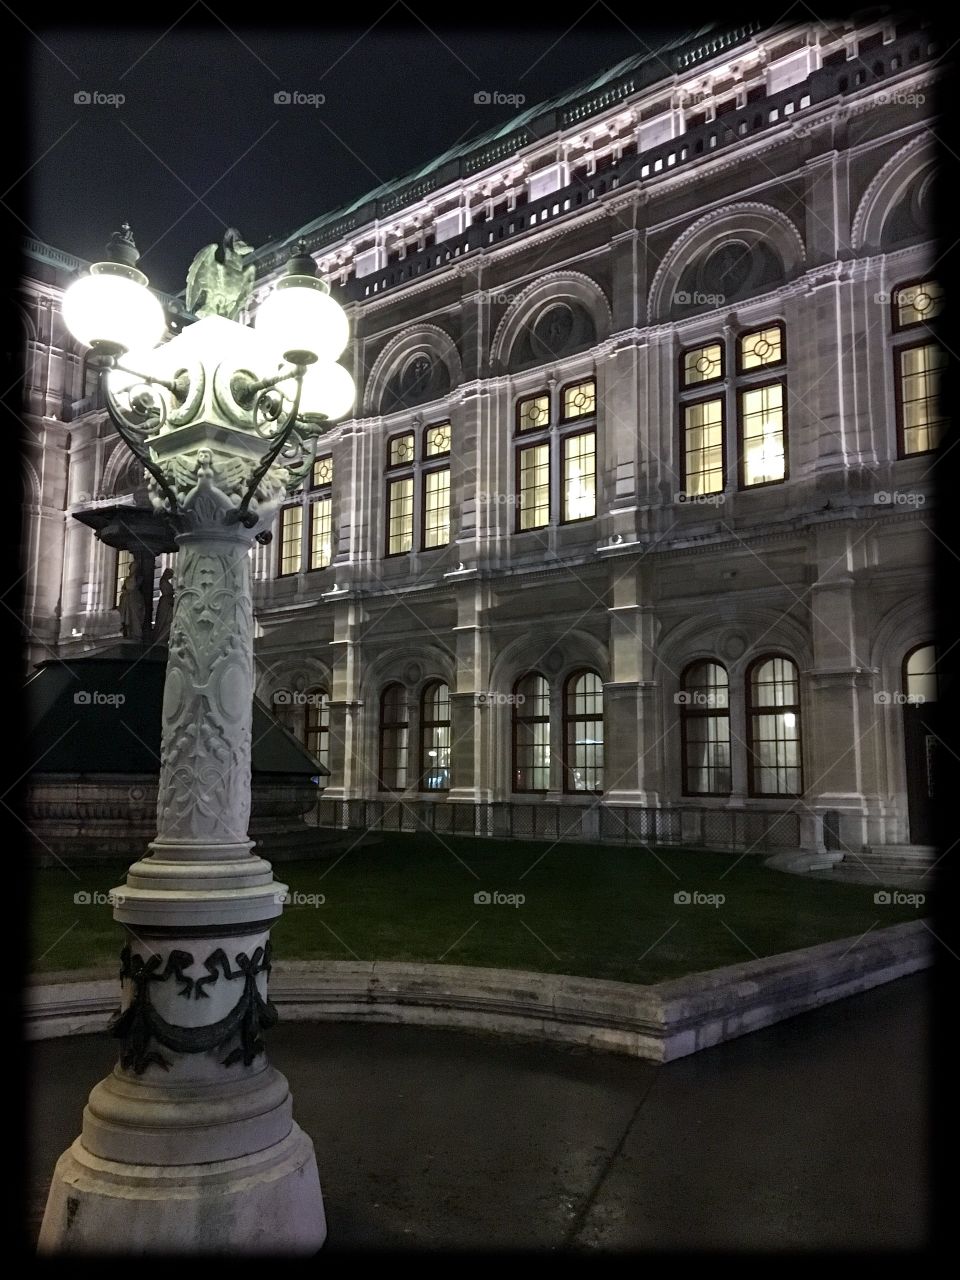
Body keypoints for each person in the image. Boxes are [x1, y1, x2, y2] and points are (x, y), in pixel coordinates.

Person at [117, 566, 145, 640]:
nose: (132, 568)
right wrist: (125, 591)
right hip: (127, 599)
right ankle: (128, 633)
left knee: (134, 616)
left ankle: (136, 634)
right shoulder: (127, 578)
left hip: (134, 598)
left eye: (134, 567)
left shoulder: (138, 577)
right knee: (127, 617)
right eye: (132, 567)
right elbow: (123, 588)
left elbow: (137, 585)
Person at [153, 568, 175, 644]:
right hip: (166, 603)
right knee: (163, 621)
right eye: (170, 575)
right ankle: (160, 638)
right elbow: (168, 592)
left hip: (168, 603)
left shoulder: (165, 581)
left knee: (168, 621)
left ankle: (162, 639)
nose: (171, 576)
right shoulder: (163, 581)